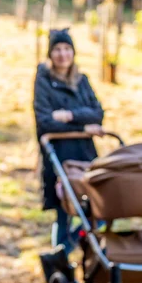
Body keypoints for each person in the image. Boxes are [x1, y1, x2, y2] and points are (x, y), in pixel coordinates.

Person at [33, 29, 105, 254]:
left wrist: (70, 115)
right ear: (50, 53)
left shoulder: (82, 80)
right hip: (58, 155)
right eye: (57, 49)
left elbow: (97, 113)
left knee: (97, 211)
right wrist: (84, 127)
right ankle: (61, 259)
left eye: (66, 49)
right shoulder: (44, 80)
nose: (62, 54)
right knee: (63, 210)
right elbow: (45, 120)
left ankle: (68, 249)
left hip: (84, 153)